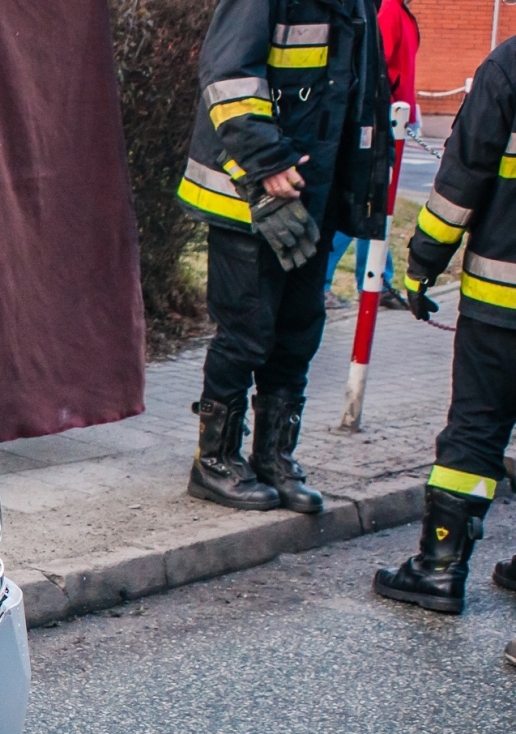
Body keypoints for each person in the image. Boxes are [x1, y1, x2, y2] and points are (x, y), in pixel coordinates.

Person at [176, 0, 392, 514]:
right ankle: (215, 462)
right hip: (251, 192)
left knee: (299, 330)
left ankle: (274, 457)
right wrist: (267, 163)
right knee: (247, 330)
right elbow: (227, 75)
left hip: (313, 191)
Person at [374, 35, 516, 623]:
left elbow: (462, 178)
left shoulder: (510, 65)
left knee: (477, 428)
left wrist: (423, 262)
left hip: (501, 300)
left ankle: (438, 569)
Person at [324, 0, 420, 311]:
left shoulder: (400, 11)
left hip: (395, 115)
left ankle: (377, 279)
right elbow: (375, 62)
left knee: (377, 205)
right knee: (365, 203)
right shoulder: (391, 10)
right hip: (386, 116)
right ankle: (326, 280)